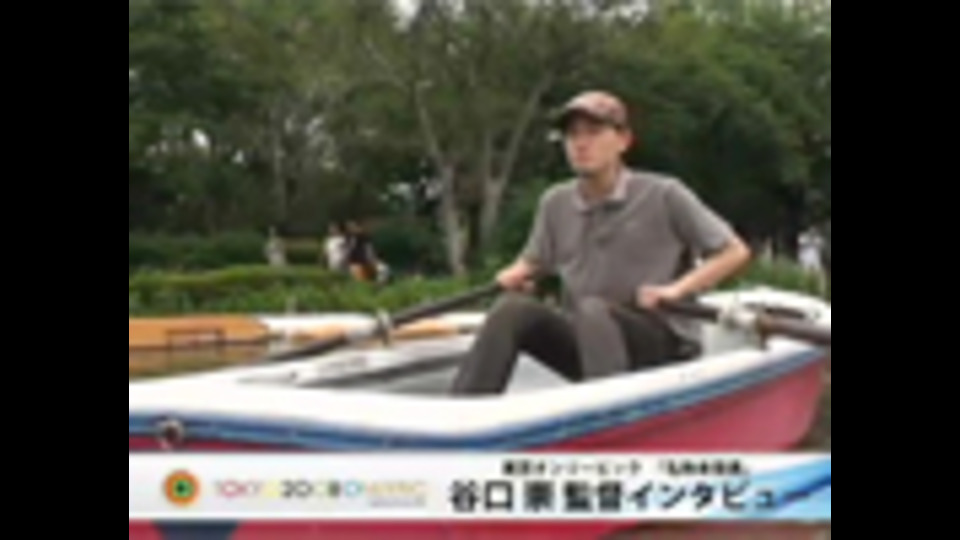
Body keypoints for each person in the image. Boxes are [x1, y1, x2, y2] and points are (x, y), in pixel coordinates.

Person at [450, 90, 752, 395]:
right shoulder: (555, 203)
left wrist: (676, 290)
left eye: (593, 132)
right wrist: (515, 273)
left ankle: (609, 412)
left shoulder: (664, 194)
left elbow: (734, 252)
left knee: (593, 310)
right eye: (572, 135)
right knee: (512, 310)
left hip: (661, 345)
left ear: (623, 141)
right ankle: (464, 412)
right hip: (590, 343)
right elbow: (533, 261)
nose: (581, 144)